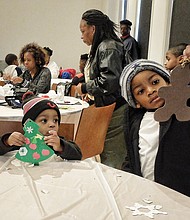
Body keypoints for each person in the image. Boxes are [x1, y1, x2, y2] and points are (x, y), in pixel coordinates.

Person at [120, 59, 190, 197]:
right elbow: (132, 155)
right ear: (136, 102)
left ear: (169, 82)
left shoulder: (182, 113)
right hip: (146, 191)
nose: (151, 91)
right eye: (141, 91)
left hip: (179, 192)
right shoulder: (135, 122)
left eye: (155, 82)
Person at [76, 9, 127, 169]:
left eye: (83, 31)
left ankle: (114, 189)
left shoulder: (108, 47)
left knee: (112, 154)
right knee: (106, 151)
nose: (82, 36)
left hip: (116, 108)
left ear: (93, 28)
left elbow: (109, 81)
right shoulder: (103, 46)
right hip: (108, 105)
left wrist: (85, 87)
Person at [0, 92, 82, 160]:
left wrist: (61, 146)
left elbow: (78, 155)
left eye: (55, 120)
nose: (52, 124)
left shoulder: (56, 142)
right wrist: (7, 141)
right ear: (29, 124)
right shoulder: (21, 141)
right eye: (44, 120)